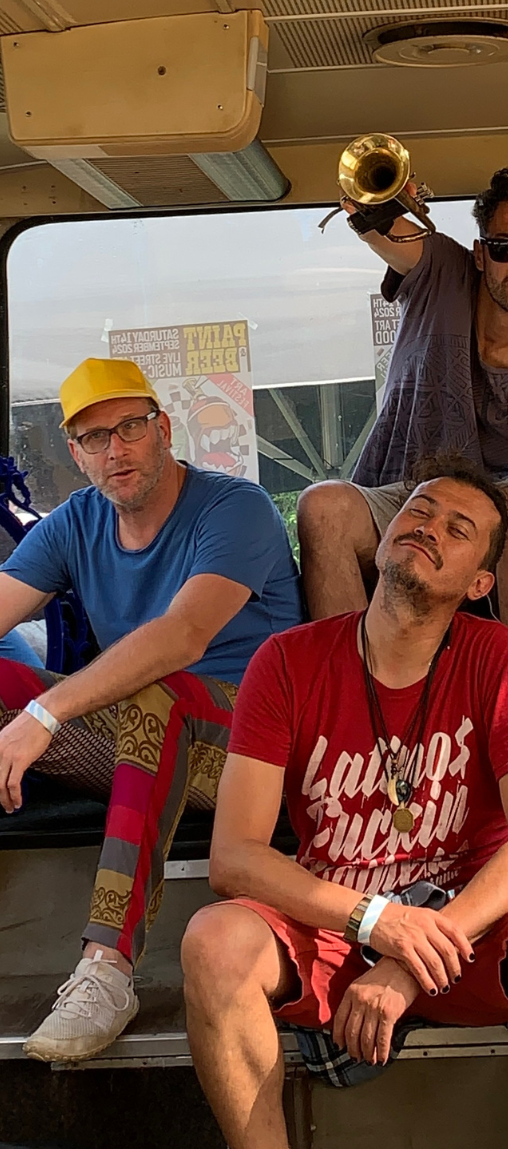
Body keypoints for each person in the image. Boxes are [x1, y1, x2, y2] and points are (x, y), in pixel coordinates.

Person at [182, 460, 508, 1149]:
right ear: (384, 539)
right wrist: (379, 922)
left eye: (458, 528)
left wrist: (413, 955)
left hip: (467, 927)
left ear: (480, 585)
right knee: (213, 940)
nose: (428, 527)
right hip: (336, 920)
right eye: (418, 510)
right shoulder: (285, 661)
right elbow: (234, 857)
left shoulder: (504, 660)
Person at [0, 357, 302, 1064]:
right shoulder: (75, 524)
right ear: (75, 454)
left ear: (163, 428)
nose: (116, 450)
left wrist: (44, 714)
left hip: (257, 751)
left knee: (155, 692)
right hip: (143, 741)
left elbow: (183, 636)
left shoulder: (236, 508)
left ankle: (106, 967)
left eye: (130, 428)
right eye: (94, 438)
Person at [298, 164, 508, 673]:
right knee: (321, 506)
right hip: (403, 489)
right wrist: (384, 201)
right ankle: (352, 700)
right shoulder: (442, 268)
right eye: (504, 247)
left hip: (498, 494)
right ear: (480, 253)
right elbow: (378, 226)